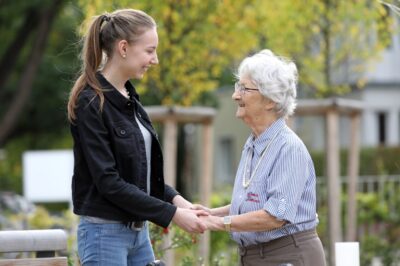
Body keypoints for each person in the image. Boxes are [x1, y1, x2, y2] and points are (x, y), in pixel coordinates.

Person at [67, 9, 207, 266]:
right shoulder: (90, 102)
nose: (155, 60)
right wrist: (173, 215)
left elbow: (141, 174)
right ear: (123, 47)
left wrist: (179, 201)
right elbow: (109, 182)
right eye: (150, 50)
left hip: (138, 234)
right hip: (104, 236)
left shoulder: (132, 102)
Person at [194, 49, 326, 265]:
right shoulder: (254, 143)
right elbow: (253, 203)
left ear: (270, 101)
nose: (236, 95)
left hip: (287, 255)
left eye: (244, 89)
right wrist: (211, 214)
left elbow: (274, 216)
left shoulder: (288, 148)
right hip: (256, 256)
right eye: (238, 87)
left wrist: (217, 224)